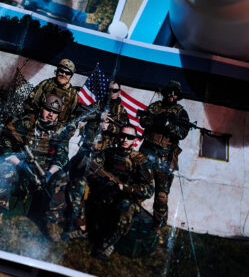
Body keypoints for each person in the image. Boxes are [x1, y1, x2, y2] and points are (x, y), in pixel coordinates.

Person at [0, 95, 72, 242]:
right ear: (41, 108)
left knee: (63, 178)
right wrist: (20, 164)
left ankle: (51, 221)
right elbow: (5, 146)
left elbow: (62, 157)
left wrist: (49, 173)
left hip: (43, 174)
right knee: (4, 167)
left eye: (54, 112)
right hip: (20, 171)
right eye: (47, 110)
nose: (50, 114)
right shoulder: (24, 122)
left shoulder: (61, 131)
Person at [66, 81, 130, 237]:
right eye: (109, 90)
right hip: (86, 151)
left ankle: (96, 230)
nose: (112, 93)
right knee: (74, 184)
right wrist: (98, 116)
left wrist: (110, 128)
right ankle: (79, 226)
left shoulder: (121, 111)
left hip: (104, 158)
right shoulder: (97, 105)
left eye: (115, 90)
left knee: (100, 193)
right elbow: (82, 115)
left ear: (119, 92)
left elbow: (126, 133)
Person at [85, 124, 154, 260]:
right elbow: (91, 168)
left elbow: (149, 190)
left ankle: (108, 243)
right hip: (106, 192)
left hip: (127, 199)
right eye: (122, 136)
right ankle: (83, 228)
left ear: (135, 140)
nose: (125, 139)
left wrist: (126, 187)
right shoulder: (108, 153)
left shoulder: (141, 161)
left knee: (125, 206)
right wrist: (101, 179)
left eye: (129, 137)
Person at [138, 80, 191, 245]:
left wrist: (170, 127)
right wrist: (157, 121)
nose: (171, 96)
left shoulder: (181, 112)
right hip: (147, 152)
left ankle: (157, 228)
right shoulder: (155, 106)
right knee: (138, 185)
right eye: (169, 92)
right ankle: (129, 215)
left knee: (161, 195)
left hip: (165, 157)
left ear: (178, 96)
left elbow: (183, 133)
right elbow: (143, 120)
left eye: (175, 93)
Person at [23, 59, 80, 124]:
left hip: (57, 130)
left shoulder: (73, 94)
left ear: (70, 76)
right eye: (61, 71)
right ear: (57, 71)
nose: (63, 74)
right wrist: (31, 120)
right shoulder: (46, 84)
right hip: (39, 123)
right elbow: (31, 103)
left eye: (67, 73)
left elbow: (73, 114)